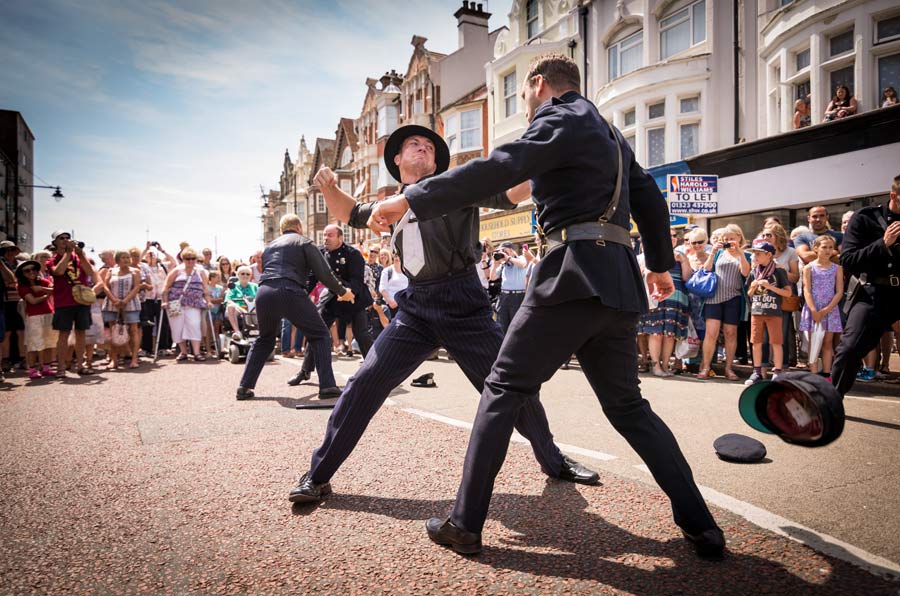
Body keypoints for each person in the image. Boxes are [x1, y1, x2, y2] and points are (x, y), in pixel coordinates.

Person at [367, 55, 723, 559]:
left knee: (502, 388)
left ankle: (465, 523)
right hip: (619, 283)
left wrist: (410, 199)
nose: (528, 105)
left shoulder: (560, 117)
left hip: (571, 275)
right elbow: (651, 200)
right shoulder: (611, 135)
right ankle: (701, 524)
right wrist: (661, 267)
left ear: (538, 84)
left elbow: (499, 166)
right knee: (629, 408)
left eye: (527, 93)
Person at [288, 122, 600, 507]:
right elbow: (348, 210)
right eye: (413, 145)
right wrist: (329, 185)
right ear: (398, 159)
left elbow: (514, 191)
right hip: (416, 306)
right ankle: (318, 475)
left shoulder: (457, 186)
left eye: (430, 147)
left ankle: (553, 460)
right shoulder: (390, 205)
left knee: (512, 388)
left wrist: (545, 161)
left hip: (464, 302)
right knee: (364, 383)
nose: (423, 149)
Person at [235, 214, 355, 400]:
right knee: (320, 334)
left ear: (283, 229)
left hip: (264, 292)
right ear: (299, 227)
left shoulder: (269, 247)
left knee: (264, 339)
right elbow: (324, 274)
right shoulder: (304, 242)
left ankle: (244, 387)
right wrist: (342, 292)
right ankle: (328, 386)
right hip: (289, 290)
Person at [831, 175, 900, 395]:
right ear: (893, 196)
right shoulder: (865, 218)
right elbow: (848, 260)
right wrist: (883, 244)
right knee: (849, 349)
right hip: (873, 293)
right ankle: (828, 402)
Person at [292, 225, 373, 380]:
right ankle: (305, 371)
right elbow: (312, 279)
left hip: (353, 298)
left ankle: (375, 370)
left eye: (330, 235)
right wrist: (301, 295)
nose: (326, 238)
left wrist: (348, 293)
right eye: (324, 235)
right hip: (331, 299)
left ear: (340, 238)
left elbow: (357, 280)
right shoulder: (320, 253)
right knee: (316, 333)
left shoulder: (353, 254)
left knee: (362, 334)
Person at [697, 224, 751, 380]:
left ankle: (729, 368)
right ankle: (706, 366)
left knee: (730, 333)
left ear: (739, 238)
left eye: (732, 239)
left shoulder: (746, 255)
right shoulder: (719, 253)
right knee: (711, 333)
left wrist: (739, 252)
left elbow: (745, 273)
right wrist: (712, 252)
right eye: (726, 239)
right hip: (714, 298)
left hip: (734, 299)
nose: (729, 242)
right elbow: (706, 270)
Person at [638, 228, 691, 377]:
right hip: (657, 297)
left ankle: (666, 366)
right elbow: (642, 272)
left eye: (674, 236)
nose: (672, 238)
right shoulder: (651, 253)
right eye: (668, 235)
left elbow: (687, 278)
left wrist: (684, 260)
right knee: (655, 333)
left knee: (670, 335)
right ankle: (656, 366)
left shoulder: (681, 255)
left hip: (676, 300)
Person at [47, 231, 96, 377]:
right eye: (61, 238)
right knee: (64, 334)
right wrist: (68, 253)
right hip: (64, 302)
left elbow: (90, 272)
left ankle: (81, 365)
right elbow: (58, 272)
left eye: (67, 238)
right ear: (55, 242)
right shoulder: (52, 260)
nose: (65, 240)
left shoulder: (78, 257)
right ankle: (61, 368)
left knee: (81, 333)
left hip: (81, 301)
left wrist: (80, 254)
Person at [744, 240, 792, 385]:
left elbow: (788, 293)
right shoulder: (754, 271)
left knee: (776, 342)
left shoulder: (779, 271)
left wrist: (770, 287)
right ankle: (757, 371)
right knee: (756, 342)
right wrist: (752, 287)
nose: (755, 257)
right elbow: (749, 293)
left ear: (769, 255)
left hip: (774, 312)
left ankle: (777, 372)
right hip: (757, 311)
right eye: (754, 254)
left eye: (758, 254)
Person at [799, 235, 844, 376]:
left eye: (831, 247)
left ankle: (826, 372)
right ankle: (813, 372)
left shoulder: (837, 268)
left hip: (829, 308)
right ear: (816, 248)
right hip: (814, 308)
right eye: (824, 247)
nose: (828, 250)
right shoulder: (809, 268)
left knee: (827, 342)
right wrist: (814, 310)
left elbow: (839, 291)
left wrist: (826, 310)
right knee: (814, 341)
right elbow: (807, 289)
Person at [161, 247, 210, 362]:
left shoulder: (201, 271)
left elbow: (205, 289)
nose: (190, 261)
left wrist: (208, 301)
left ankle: (197, 353)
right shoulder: (176, 271)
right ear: (183, 259)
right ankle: (183, 352)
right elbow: (165, 287)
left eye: (193, 258)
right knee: (177, 327)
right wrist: (164, 301)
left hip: (194, 303)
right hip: (176, 303)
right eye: (187, 258)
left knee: (194, 325)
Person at [101, 250, 142, 370]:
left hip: (131, 305)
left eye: (127, 257)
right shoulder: (111, 271)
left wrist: (125, 301)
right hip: (111, 305)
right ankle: (114, 359)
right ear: (117, 259)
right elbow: (106, 287)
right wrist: (114, 300)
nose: (126, 260)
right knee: (113, 331)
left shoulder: (135, 272)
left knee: (133, 330)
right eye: (123, 257)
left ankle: (134, 358)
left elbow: (136, 287)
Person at [16, 259, 56, 378]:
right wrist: (47, 294)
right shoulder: (22, 286)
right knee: (33, 344)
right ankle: (32, 369)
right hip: (34, 316)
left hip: (48, 313)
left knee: (49, 342)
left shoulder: (43, 282)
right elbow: (32, 301)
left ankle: (46, 367)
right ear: (22, 273)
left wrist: (42, 290)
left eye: (33, 269)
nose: (31, 272)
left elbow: (55, 289)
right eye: (27, 270)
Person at [491, 241, 528, 333]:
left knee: (517, 327)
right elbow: (492, 277)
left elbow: (523, 264)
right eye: (500, 251)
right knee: (502, 326)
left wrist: (508, 258)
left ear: (511, 250)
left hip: (518, 297)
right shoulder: (503, 264)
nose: (502, 252)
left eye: (504, 250)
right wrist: (495, 264)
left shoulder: (521, 258)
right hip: (504, 297)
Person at [1, 240, 25, 370]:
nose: (10, 253)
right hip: (5, 302)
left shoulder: (20, 264)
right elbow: (10, 280)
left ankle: (22, 358)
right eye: (7, 250)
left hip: (19, 301)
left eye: (13, 250)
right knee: (7, 332)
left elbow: (20, 281)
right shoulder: (2, 264)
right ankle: (5, 360)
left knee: (21, 331)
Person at [225, 266, 258, 341]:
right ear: (238, 275)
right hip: (238, 309)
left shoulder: (255, 286)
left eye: (248, 274)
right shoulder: (233, 286)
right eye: (242, 274)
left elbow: (260, 299)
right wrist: (241, 309)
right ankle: (237, 332)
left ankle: (257, 331)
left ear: (250, 276)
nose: (245, 276)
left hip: (253, 309)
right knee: (230, 307)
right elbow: (229, 300)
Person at [379, 253, 408, 319]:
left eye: (398, 256)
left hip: (404, 305)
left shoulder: (407, 271)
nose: (396, 258)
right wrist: (390, 302)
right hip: (390, 306)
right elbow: (382, 288)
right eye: (395, 256)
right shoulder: (387, 271)